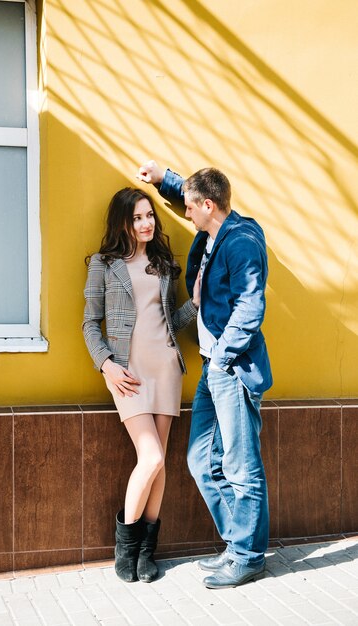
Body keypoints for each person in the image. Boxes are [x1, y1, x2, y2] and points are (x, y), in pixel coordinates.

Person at [137, 161, 273, 589]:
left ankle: (248, 555)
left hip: (231, 368)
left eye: (192, 209)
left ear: (209, 206)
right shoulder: (215, 232)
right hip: (214, 368)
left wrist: (223, 357)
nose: (186, 214)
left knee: (240, 463)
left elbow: (251, 306)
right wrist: (164, 178)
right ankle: (237, 545)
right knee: (200, 460)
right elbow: (189, 194)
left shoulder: (241, 243)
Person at [82, 187, 199, 583]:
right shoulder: (103, 264)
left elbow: (172, 322)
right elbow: (89, 323)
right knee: (149, 458)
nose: (146, 223)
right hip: (127, 374)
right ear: (123, 222)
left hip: (166, 367)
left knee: (160, 461)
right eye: (136, 218)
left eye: (149, 215)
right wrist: (106, 366)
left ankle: (148, 551)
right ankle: (127, 544)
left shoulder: (165, 266)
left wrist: (195, 302)